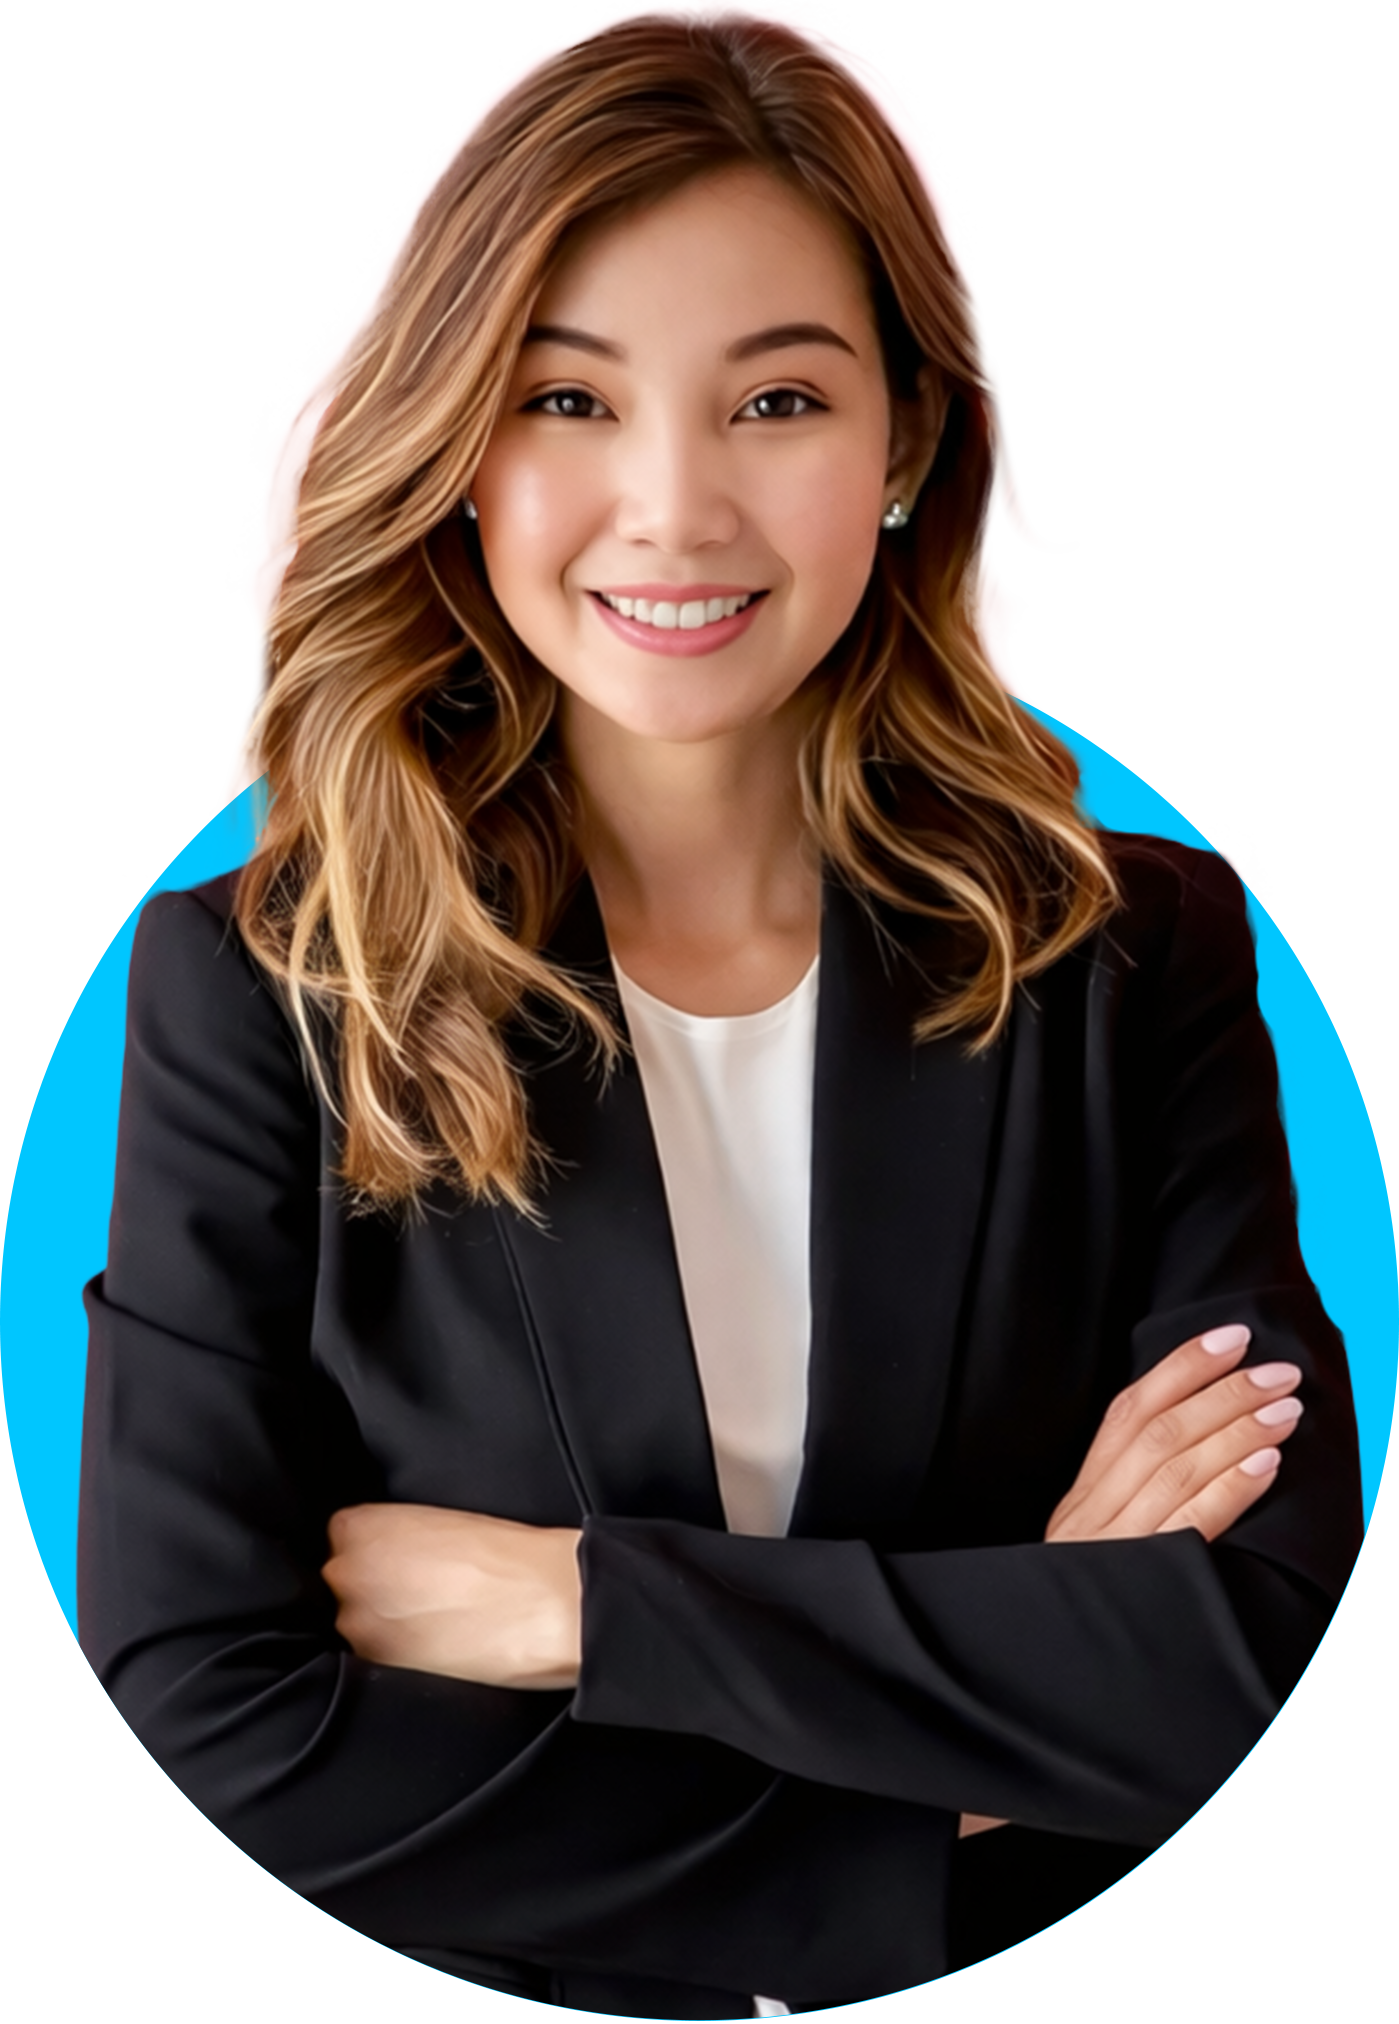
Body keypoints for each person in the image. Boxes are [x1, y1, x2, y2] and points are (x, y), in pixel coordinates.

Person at [77, 9, 1363, 2016]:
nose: (674, 508)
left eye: (776, 400)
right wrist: (957, 1758)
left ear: (905, 442)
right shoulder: (260, 990)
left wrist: (578, 1606)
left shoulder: (1132, 955)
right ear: (458, 441)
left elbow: (1234, 1648)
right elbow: (214, 1707)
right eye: (567, 399)